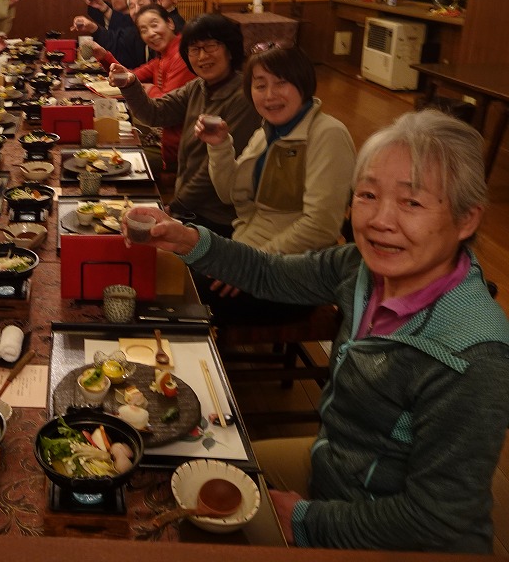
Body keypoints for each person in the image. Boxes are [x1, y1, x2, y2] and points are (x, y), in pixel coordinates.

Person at [124, 109, 509, 554]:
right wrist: (189, 240)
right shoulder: (360, 268)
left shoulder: (471, 357)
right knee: (175, 471)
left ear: (467, 219)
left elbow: (437, 520)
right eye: (368, 195)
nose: (380, 220)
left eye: (412, 202)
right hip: (335, 468)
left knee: (179, 532)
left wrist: (306, 519)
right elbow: (270, 273)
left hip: (400, 539)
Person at [193, 41, 356, 323]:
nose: (270, 95)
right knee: (177, 261)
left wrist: (250, 264)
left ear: (303, 84)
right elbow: (228, 194)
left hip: (293, 275)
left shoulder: (328, 134)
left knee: (189, 293)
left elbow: (321, 226)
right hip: (248, 249)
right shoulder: (268, 131)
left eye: (281, 83)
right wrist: (219, 146)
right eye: (260, 85)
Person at [109, 12, 260, 236]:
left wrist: (176, 206)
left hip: (218, 218)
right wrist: (130, 84)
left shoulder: (243, 98)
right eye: (194, 49)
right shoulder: (198, 87)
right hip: (191, 208)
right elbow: (155, 113)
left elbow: (210, 170)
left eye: (210, 46)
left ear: (230, 49)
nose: (202, 56)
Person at [87, 4, 195, 172]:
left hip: (176, 150)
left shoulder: (182, 55)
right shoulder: (163, 55)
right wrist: (105, 57)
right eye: (144, 30)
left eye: (154, 25)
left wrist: (150, 89)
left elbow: (165, 107)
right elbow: (132, 75)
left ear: (170, 23)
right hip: (159, 134)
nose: (151, 33)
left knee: (106, 159)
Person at [71, 0, 157, 69]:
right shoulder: (134, 31)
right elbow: (116, 42)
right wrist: (93, 28)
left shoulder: (159, 38)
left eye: (141, 4)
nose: (136, 10)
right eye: (132, 6)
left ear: (157, 3)